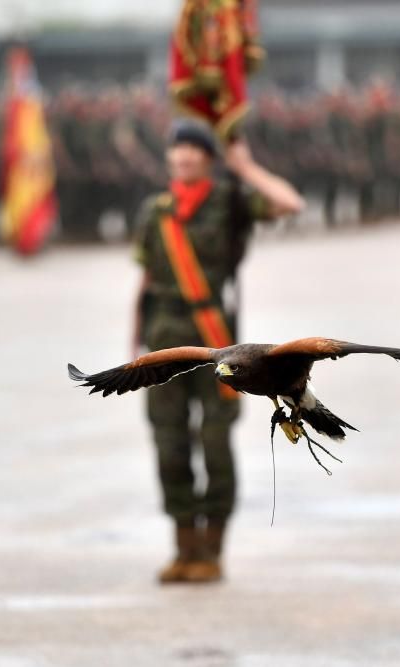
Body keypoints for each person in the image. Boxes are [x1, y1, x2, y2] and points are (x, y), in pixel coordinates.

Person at [132, 120, 303, 584]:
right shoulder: (156, 210)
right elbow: (146, 278)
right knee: (167, 439)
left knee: (214, 440)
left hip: (214, 337)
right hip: (164, 334)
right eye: (177, 150)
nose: (184, 157)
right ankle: (183, 543)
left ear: (209, 158)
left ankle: (212, 547)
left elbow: (290, 203)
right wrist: (136, 337)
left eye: (193, 150)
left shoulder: (229, 201)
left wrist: (245, 167)